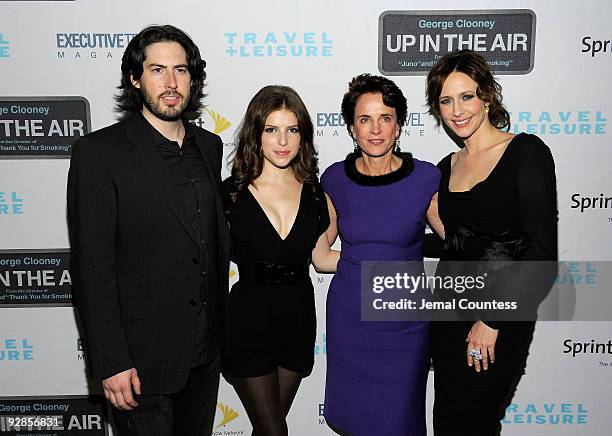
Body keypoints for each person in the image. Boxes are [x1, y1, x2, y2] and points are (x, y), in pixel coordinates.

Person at [67, 25, 229, 435]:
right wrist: (111, 361)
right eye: (157, 70)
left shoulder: (209, 147)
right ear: (136, 80)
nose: (171, 83)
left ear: (193, 79)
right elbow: (92, 268)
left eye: (181, 71)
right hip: (139, 362)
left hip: (204, 356)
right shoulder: (100, 153)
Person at [425, 49, 558, 435]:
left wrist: (492, 318)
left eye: (466, 96)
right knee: (448, 421)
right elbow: (462, 243)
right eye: (446, 101)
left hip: (499, 315)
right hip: (448, 314)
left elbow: (540, 253)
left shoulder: (525, 152)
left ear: (486, 95)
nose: (457, 110)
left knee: (474, 422)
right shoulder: (445, 166)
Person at [320, 74, 440, 436]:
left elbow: (457, 240)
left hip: (404, 326)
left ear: (399, 125)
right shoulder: (334, 179)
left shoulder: (427, 178)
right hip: (350, 319)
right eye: (364, 120)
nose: (375, 130)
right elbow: (319, 254)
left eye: (385, 118)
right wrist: (361, 265)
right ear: (352, 129)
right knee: (354, 421)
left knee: (399, 420)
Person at [222, 85, 339, 436]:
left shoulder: (316, 193)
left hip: (297, 321)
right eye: (271, 129)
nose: (282, 141)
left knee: (268, 430)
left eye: (292, 129)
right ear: (256, 134)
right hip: (247, 323)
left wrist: (386, 266)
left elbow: (322, 258)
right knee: (275, 432)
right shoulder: (229, 195)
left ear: (303, 135)